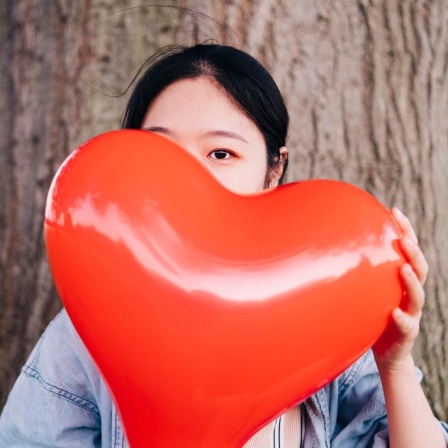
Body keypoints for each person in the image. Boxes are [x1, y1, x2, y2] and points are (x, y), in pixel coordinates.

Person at [0, 44, 447, 448]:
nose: (188, 177)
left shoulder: (334, 326)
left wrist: (394, 365)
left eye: (220, 154)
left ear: (274, 169)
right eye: (161, 151)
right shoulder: (86, 331)